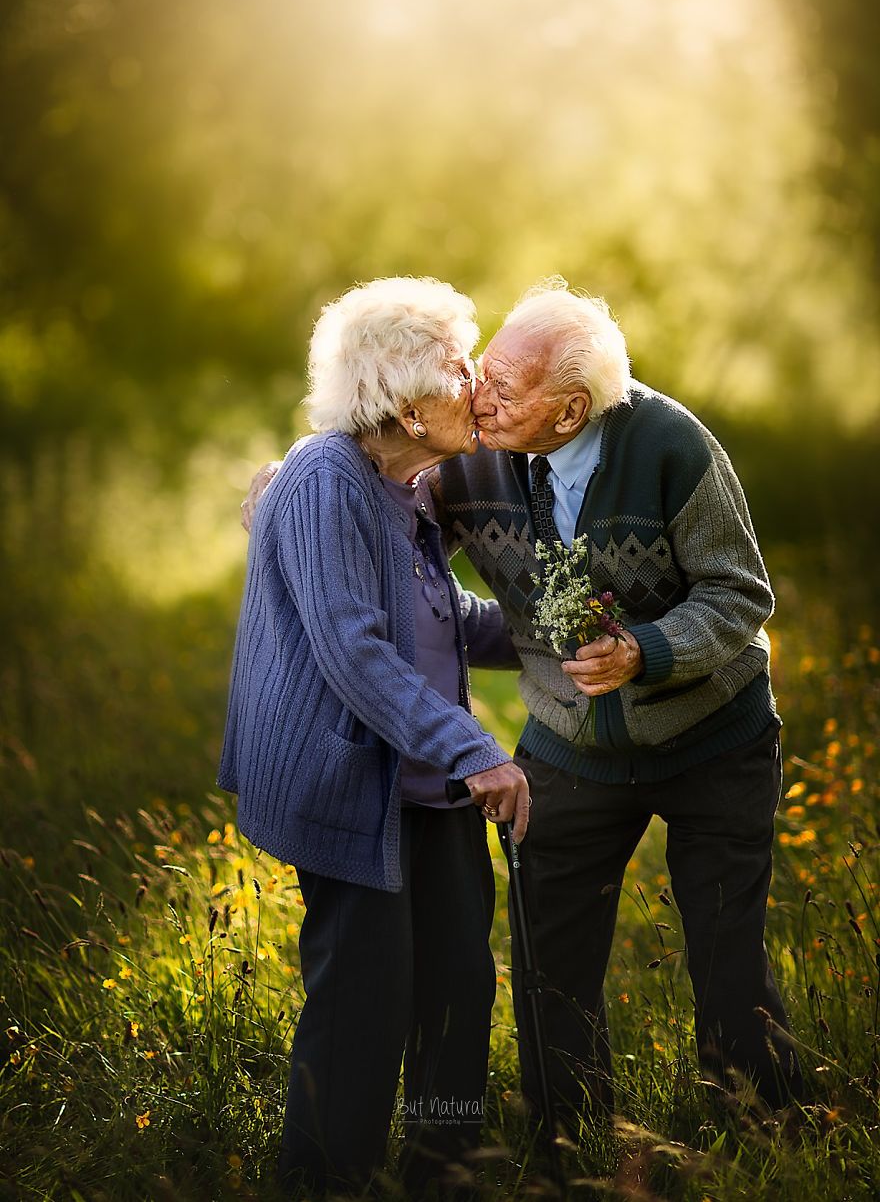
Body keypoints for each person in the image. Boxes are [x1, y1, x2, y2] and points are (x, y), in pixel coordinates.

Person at [243, 277, 802, 1142]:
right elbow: (364, 580)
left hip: (695, 738)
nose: (479, 392)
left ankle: (753, 1131)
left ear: (571, 408)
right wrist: (286, 486)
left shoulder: (664, 446)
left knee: (693, 962)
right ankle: (533, 1145)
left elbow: (738, 592)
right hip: (478, 759)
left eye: (501, 381)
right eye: (473, 371)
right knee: (478, 980)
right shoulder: (433, 462)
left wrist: (639, 649)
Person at [220, 275, 530, 1197]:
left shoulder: (409, 486)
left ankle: (444, 1170)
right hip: (354, 783)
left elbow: (437, 618)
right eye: (458, 367)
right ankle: (327, 1178)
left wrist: (548, 631)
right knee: (365, 1001)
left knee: (458, 985)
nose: (473, 386)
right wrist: (479, 748)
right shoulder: (324, 480)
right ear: (398, 391)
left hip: (426, 784)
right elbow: (354, 651)